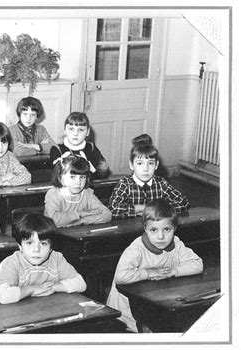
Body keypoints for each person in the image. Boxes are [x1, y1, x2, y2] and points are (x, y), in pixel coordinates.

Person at [106, 199, 203, 332]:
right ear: (145, 229)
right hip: (125, 313)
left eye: (167, 229)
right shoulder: (137, 249)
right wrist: (149, 273)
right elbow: (121, 276)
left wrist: (174, 271)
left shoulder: (177, 243)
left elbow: (197, 264)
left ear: (175, 228)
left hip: (155, 301)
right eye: (153, 230)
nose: (161, 236)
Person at [0, 212, 86, 304]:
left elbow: (81, 284)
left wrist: (54, 287)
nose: (36, 249)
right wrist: (32, 289)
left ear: (51, 248)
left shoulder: (57, 259)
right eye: (29, 243)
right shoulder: (11, 263)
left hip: (49, 308)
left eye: (43, 243)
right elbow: (3, 296)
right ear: (20, 246)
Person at [108, 134, 189, 219]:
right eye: (140, 163)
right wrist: (139, 208)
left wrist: (156, 210)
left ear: (156, 165)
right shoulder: (124, 184)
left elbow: (183, 203)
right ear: (131, 165)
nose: (146, 168)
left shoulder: (161, 183)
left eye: (150, 163)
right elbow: (113, 209)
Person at [44, 153, 112, 228]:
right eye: (72, 177)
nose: (78, 182)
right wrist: (80, 214)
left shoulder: (86, 193)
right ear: (61, 177)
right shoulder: (54, 194)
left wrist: (82, 221)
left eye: (82, 177)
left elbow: (107, 214)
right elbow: (54, 221)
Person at [50, 112, 109, 179]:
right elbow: (54, 177)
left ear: (87, 132)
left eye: (81, 130)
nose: (75, 133)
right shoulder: (57, 149)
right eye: (71, 129)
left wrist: (91, 169)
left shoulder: (91, 148)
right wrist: (59, 166)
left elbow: (104, 172)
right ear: (65, 130)